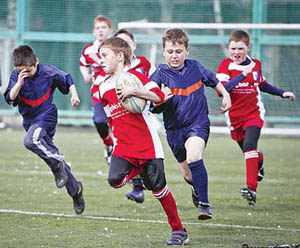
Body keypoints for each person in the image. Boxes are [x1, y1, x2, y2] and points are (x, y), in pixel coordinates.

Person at [97, 37, 188, 246]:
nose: (101, 60)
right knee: (114, 181)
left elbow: (158, 96)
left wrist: (136, 92)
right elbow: (110, 117)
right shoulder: (103, 87)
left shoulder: (135, 77)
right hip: (123, 146)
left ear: (119, 56)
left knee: (160, 191)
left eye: (104, 56)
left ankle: (178, 230)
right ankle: (137, 172)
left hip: (147, 145)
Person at [150, 28, 231, 220]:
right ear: (163, 52)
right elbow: (153, 105)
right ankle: (196, 187)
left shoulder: (195, 67)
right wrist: (161, 100)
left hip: (198, 123)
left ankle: (204, 205)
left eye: (178, 51)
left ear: (187, 51)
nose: (174, 56)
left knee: (194, 156)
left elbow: (213, 80)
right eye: (170, 52)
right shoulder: (159, 74)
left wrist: (225, 94)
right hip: (174, 130)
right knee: (187, 173)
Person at [216, 29, 296, 206]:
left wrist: (282, 93)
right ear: (229, 49)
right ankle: (259, 160)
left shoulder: (256, 65)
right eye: (233, 48)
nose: (236, 52)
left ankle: (251, 188)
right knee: (248, 151)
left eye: (240, 48)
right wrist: (242, 75)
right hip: (234, 117)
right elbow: (222, 90)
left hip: (254, 114)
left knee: (250, 145)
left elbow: (263, 84)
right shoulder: (225, 66)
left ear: (248, 48)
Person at [4, 45, 85, 215]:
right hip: (30, 121)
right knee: (49, 153)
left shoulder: (48, 71)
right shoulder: (16, 76)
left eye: (29, 70)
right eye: (21, 71)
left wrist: (74, 95)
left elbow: (68, 79)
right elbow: (10, 98)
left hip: (46, 115)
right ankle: (75, 190)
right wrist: (19, 83)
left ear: (36, 62)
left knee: (31, 141)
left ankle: (57, 163)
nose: (25, 73)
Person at [113, 28, 156, 204]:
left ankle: (147, 183)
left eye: (126, 44)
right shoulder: (113, 68)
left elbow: (156, 79)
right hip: (123, 117)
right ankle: (137, 188)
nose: (123, 48)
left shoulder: (144, 63)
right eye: (118, 44)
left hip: (144, 113)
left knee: (145, 152)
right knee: (128, 149)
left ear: (134, 45)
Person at [79, 15, 114, 164]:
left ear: (110, 30)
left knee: (118, 124)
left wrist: (99, 59)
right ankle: (108, 144)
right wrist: (86, 74)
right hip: (98, 91)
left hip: (114, 90)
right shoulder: (89, 49)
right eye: (98, 28)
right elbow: (82, 63)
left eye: (104, 27)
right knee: (99, 120)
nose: (101, 31)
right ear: (94, 32)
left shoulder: (114, 47)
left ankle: (121, 154)